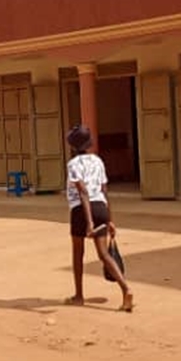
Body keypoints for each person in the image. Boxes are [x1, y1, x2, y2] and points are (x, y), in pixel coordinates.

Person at [64, 124, 134, 312]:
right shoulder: (98, 161)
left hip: (81, 210)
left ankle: (79, 295)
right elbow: (104, 190)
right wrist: (109, 219)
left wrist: (89, 223)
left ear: (73, 146)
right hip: (101, 207)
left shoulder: (73, 165)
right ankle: (126, 289)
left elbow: (83, 192)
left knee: (78, 253)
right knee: (103, 254)